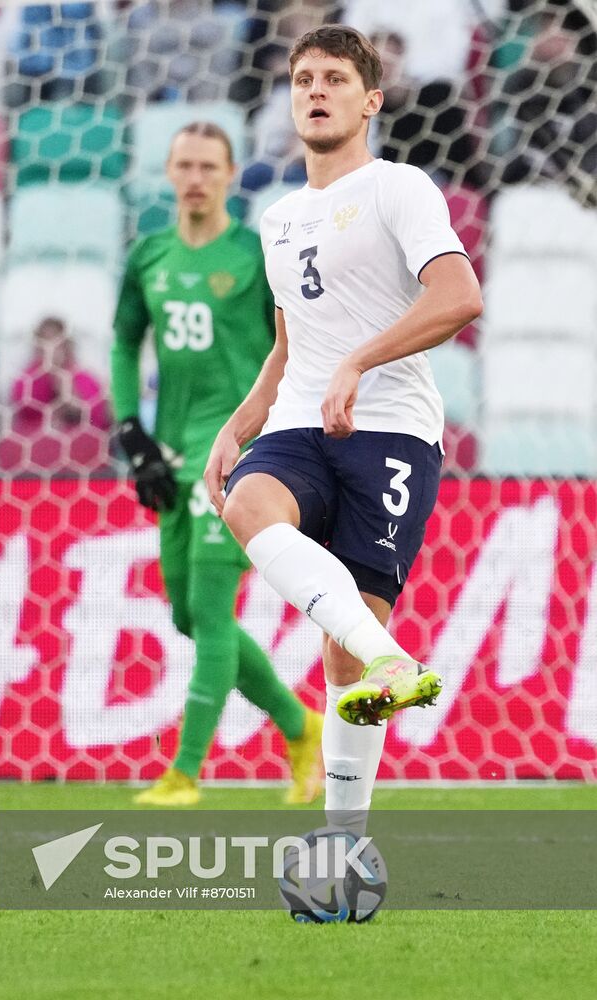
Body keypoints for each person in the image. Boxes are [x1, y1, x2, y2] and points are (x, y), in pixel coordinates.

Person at [205, 26, 482, 827]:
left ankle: (343, 839)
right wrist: (244, 419)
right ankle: (391, 662)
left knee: (341, 645)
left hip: (392, 430)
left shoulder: (400, 187)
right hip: (301, 422)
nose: (314, 90)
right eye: (301, 79)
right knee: (247, 503)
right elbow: (293, 339)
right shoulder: (278, 219)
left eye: (332, 78)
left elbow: (458, 297)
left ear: (369, 101)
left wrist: (359, 364)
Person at [111, 121, 323, 806]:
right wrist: (129, 432)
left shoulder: (257, 254)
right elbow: (123, 341)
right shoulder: (148, 255)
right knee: (183, 613)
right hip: (169, 453)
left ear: (231, 175)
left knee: (206, 606)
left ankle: (184, 773)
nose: (196, 177)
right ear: (168, 172)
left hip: (236, 453)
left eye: (209, 165)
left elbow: (289, 347)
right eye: (184, 164)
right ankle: (300, 726)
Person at [2, 315, 112, 475]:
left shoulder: (85, 378)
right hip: (36, 464)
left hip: (82, 464)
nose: (51, 348)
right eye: (45, 340)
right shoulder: (27, 380)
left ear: (66, 344)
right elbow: (24, 409)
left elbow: (98, 418)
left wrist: (61, 379)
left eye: (56, 341)